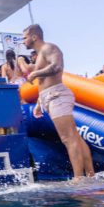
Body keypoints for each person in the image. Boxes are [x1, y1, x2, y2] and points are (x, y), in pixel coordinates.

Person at [23, 23, 94, 178]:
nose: (23, 41)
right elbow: (43, 83)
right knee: (74, 136)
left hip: (58, 95)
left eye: (25, 37)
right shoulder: (41, 54)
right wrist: (39, 104)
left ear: (34, 37)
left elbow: (57, 66)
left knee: (68, 138)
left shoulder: (49, 48)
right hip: (50, 97)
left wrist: (36, 73)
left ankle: (78, 178)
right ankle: (89, 174)